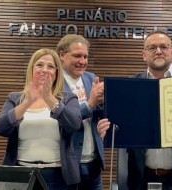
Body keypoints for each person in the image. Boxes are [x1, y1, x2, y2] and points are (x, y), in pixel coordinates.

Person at [97, 30, 172, 190]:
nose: (158, 51)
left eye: (163, 47)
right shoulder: (130, 86)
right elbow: (119, 128)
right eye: (152, 48)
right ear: (144, 55)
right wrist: (106, 129)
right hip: (141, 178)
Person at [0, 48, 82, 190]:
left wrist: (50, 99)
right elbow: (1, 128)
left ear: (56, 73)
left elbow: (74, 124)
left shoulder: (68, 98)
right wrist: (27, 103)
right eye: (39, 65)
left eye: (51, 66)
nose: (44, 70)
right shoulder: (15, 98)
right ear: (32, 69)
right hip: (20, 174)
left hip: (58, 176)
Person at [56, 34, 105, 190]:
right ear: (62, 55)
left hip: (93, 163)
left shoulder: (90, 78)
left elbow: (99, 114)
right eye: (77, 56)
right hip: (68, 164)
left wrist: (102, 103)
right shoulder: (53, 83)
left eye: (85, 56)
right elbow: (67, 119)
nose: (83, 61)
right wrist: (91, 103)